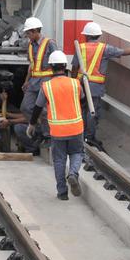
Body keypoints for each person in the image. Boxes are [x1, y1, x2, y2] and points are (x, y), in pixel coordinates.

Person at [73, 21, 130, 150]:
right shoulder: (105, 49)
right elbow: (124, 52)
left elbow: (74, 67)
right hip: (94, 87)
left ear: (86, 36)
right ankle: (89, 137)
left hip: (80, 86)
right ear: (98, 36)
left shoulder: (81, 48)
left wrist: (73, 82)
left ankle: (81, 135)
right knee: (92, 112)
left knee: (82, 110)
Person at [28, 50, 87, 200]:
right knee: (77, 153)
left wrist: (32, 124)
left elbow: (37, 107)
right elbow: (83, 101)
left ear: (50, 67)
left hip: (57, 130)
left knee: (59, 160)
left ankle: (62, 193)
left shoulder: (46, 86)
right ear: (65, 66)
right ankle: (73, 173)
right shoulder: (75, 83)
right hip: (76, 127)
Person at [17, 17, 57, 154]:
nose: (27, 36)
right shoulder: (31, 45)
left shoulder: (50, 44)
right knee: (26, 107)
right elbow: (31, 65)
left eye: (28, 33)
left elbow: (57, 63)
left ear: (35, 31)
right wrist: (26, 80)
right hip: (34, 81)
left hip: (46, 80)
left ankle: (47, 135)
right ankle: (40, 130)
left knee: (44, 110)